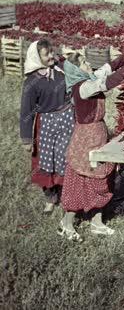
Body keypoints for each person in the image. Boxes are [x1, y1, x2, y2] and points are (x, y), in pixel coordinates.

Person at [59, 51, 124, 240]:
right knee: (81, 180)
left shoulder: (88, 77)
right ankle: (66, 223)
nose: (88, 63)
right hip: (86, 139)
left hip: (98, 134)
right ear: (76, 71)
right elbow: (104, 82)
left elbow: (106, 70)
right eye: (83, 62)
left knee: (101, 179)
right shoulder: (81, 87)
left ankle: (97, 223)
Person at [20, 40, 74, 214]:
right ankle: (50, 197)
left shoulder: (60, 70)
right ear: (37, 58)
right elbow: (26, 111)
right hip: (46, 125)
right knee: (46, 160)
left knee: (64, 157)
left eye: (52, 52)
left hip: (66, 121)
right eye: (46, 54)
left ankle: (66, 194)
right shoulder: (31, 82)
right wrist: (27, 139)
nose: (51, 56)